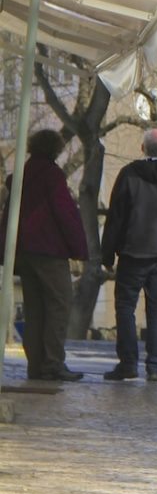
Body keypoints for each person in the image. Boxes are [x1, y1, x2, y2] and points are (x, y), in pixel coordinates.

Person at [101, 128, 157, 382]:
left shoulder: (128, 174)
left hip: (132, 252)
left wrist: (107, 255)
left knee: (125, 307)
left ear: (143, 148)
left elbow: (115, 217)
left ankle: (128, 363)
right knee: (156, 310)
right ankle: (154, 367)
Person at [0, 127, 88, 382]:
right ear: (55, 149)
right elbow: (64, 213)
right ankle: (53, 363)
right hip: (49, 250)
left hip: (23, 251)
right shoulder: (51, 176)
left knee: (35, 308)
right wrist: (79, 248)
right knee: (60, 303)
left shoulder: (22, 174)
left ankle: (36, 364)